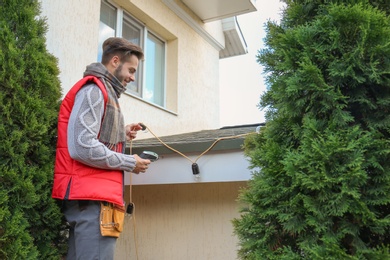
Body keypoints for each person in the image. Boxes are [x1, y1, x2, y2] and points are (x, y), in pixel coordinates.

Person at [52, 37, 151, 259]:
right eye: (131, 70)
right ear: (115, 61)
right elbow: (82, 146)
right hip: (92, 200)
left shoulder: (101, 91)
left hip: (90, 198)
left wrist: (121, 132)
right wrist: (129, 162)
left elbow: (86, 136)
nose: (133, 78)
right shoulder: (95, 90)